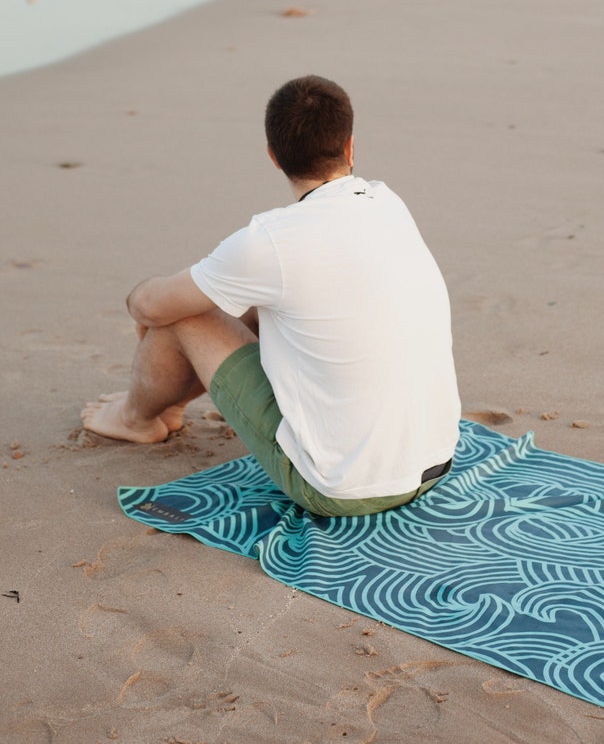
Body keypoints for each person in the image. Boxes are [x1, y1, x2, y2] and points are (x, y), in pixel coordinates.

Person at [82, 75, 461, 517]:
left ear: (273, 156)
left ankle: (137, 418)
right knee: (269, 305)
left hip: (341, 490)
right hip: (435, 461)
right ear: (350, 146)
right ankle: (168, 405)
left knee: (185, 314)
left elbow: (153, 306)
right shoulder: (388, 204)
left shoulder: (271, 241)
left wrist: (139, 299)